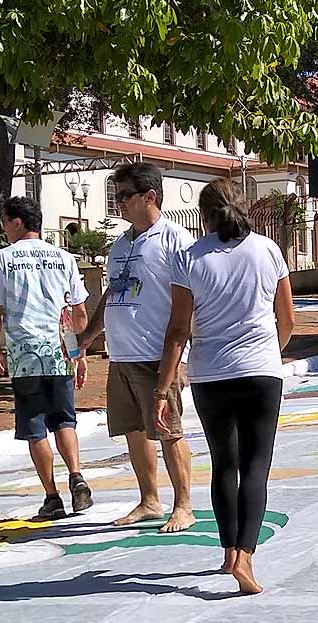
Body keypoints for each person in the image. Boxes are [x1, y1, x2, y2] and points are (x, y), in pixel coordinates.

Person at [154, 178, 295, 595]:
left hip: (210, 374)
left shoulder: (189, 258)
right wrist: (270, 350)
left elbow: (178, 329)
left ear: (205, 214)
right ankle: (246, 558)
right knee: (255, 465)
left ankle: (228, 550)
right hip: (260, 372)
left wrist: (163, 389)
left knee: (224, 463)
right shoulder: (269, 251)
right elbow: (286, 320)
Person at [76, 162, 196, 533]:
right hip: (122, 355)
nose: (120, 204)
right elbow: (112, 293)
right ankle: (149, 500)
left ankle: (184, 505)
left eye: (126, 196)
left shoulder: (175, 240)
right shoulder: (121, 245)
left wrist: (183, 349)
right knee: (134, 430)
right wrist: (87, 340)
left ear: (150, 196)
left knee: (168, 430)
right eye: (117, 197)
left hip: (157, 355)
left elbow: (193, 296)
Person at [0, 197, 93, 519]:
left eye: (4, 221)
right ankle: (76, 474)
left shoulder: (1, 260)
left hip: (25, 350)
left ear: (17, 222)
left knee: (35, 425)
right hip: (60, 347)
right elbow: (78, 310)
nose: (3, 228)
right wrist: (79, 352)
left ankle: (52, 495)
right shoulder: (64, 258)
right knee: (64, 419)